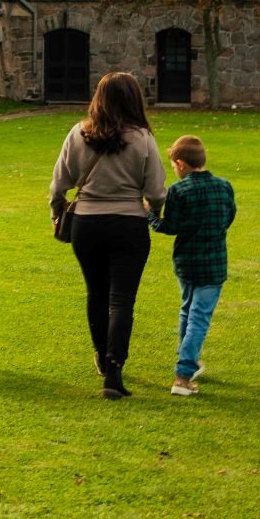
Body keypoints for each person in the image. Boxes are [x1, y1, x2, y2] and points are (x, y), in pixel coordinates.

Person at [49, 72, 166, 399]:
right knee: (122, 300)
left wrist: (57, 213)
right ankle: (114, 369)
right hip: (128, 223)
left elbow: (59, 184)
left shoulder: (78, 133)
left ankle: (102, 355)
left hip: (87, 224)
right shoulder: (142, 138)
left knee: (96, 294)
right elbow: (157, 191)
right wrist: (154, 210)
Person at [150, 134, 236, 397]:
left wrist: (150, 214)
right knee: (198, 317)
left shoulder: (179, 190)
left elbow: (169, 226)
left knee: (188, 311)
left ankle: (188, 361)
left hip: (187, 263)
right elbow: (229, 216)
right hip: (214, 264)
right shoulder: (224, 187)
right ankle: (184, 373)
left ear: (181, 164)